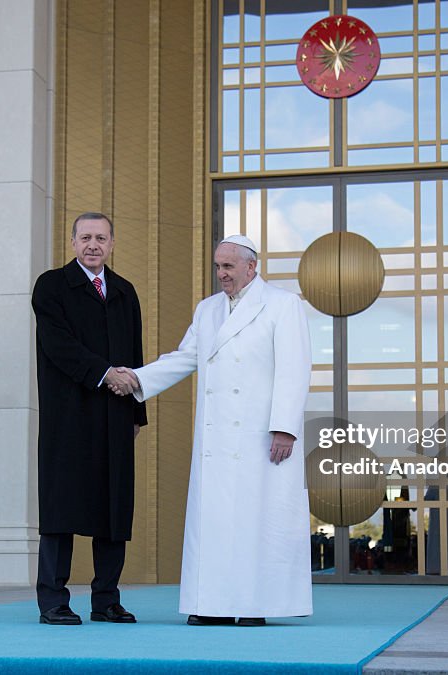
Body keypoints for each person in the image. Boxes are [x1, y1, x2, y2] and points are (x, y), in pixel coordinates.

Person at [115, 234, 313, 626]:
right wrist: (136, 379)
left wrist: (285, 428)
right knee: (215, 523)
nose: (221, 273)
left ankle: (254, 606)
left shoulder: (282, 305)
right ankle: (212, 605)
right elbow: (185, 358)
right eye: (218, 266)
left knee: (257, 522)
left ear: (251, 267)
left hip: (262, 435)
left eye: (228, 266)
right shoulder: (207, 310)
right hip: (216, 439)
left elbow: (295, 368)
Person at [31, 212, 146, 626]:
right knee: (61, 511)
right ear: (73, 242)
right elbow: (58, 345)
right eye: (85, 237)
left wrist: (137, 410)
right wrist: (105, 374)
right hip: (68, 416)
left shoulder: (125, 292)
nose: (93, 244)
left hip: (116, 414)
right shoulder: (51, 286)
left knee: (113, 511)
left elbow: (135, 354)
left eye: (101, 237)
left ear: (112, 243)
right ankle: (53, 601)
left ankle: (106, 600)